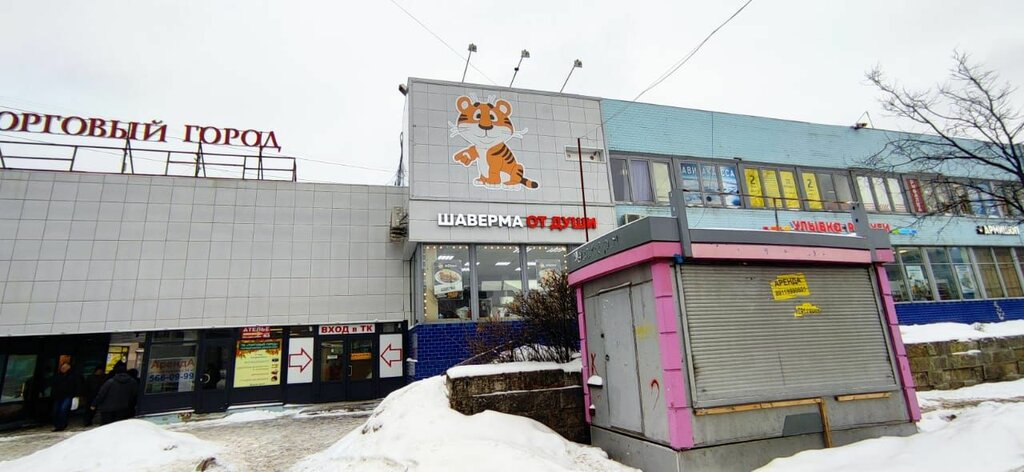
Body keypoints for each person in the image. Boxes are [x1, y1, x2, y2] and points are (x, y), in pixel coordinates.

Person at [50, 362, 79, 432]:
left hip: (68, 395)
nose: (63, 369)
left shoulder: (72, 376)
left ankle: (62, 425)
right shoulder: (57, 376)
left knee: (63, 410)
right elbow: (54, 385)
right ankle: (57, 425)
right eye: (62, 367)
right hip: (58, 396)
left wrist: (75, 394)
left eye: (65, 367)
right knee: (56, 411)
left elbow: (76, 385)